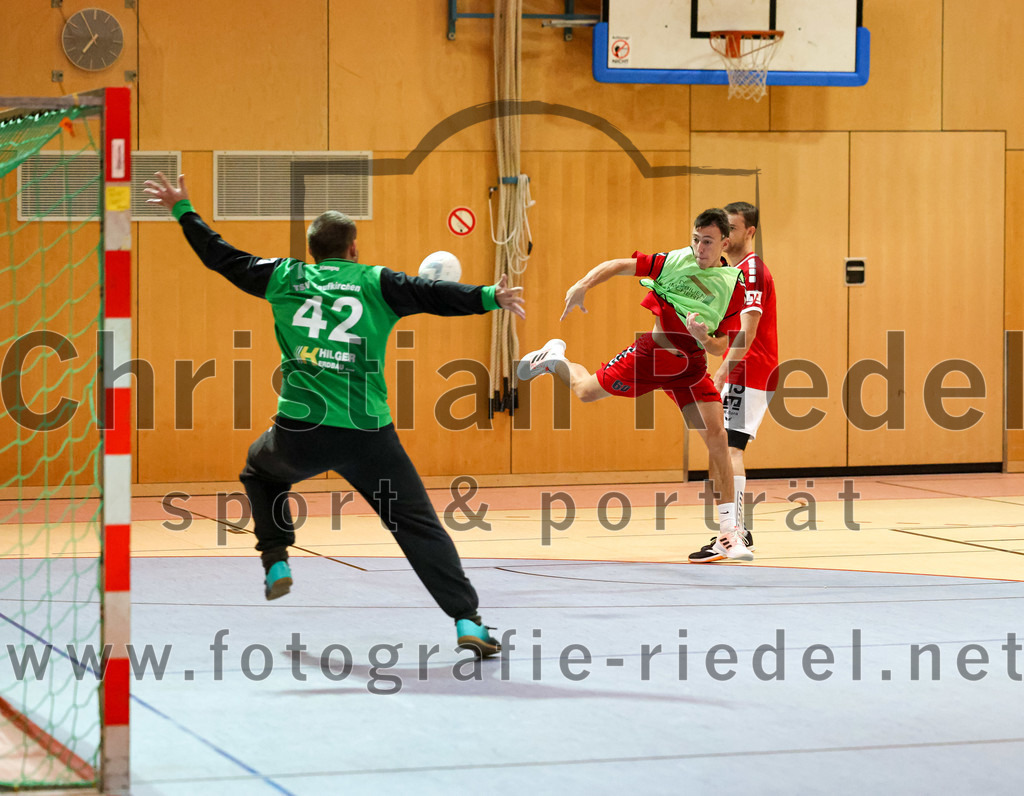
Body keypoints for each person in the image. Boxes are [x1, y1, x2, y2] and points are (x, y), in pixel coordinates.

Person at [144, 171, 525, 658]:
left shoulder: (284, 276)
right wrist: (490, 296)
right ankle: (468, 621)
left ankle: (276, 559)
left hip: (299, 432)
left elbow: (223, 257)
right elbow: (431, 295)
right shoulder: (375, 282)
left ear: (313, 249)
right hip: (368, 437)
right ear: (353, 249)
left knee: (259, 470)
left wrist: (183, 209)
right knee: (416, 525)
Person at [517, 208, 753, 561]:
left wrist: (704, 337)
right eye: (695, 239)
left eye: (707, 241)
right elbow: (619, 265)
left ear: (724, 242)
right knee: (584, 393)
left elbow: (723, 345)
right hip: (650, 357)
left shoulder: (732, 287)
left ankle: (728, 534)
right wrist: (582, 285)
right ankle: (556, 359)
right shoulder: (674, 261)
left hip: (689, 367)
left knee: (717, 438)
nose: (699, 247)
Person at [685, 202, 778, 563]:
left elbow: (750, 330)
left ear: (749, 232)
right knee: (718, 446)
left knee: (731, 448)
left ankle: (734, 533)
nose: (725, 236)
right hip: (740, 368)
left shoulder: (752, 269)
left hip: (749, 369)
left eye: (733, 229)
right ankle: (731, 529)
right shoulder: (732, 271)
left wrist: (724, 371)